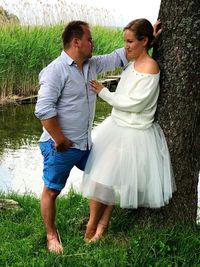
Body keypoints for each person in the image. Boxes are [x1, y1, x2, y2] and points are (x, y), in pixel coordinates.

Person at [35, 19, 161, 254]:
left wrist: (149, 38)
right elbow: (43, 110)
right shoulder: (55, 71)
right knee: (52, 190)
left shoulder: (91, 65)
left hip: (85, 144)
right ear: (76, 42)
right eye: (89, 40)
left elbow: (120, 55)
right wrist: (59, 139)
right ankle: (52, 236)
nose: (93, 44)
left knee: (106, 176)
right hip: (61, 145)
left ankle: (98, 226)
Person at [81, 18, 176, 243]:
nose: (126, 47)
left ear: (144, 42)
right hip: (117, 127)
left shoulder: (151, 67)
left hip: (133, 132)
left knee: (106, 180)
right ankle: (96, 225)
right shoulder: (134, 62)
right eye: (125, 41)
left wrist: (104, 93)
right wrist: (149, 39)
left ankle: (96, 227)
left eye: (131, 42)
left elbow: (136, 103)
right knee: (103, 180)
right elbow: (136, 53)